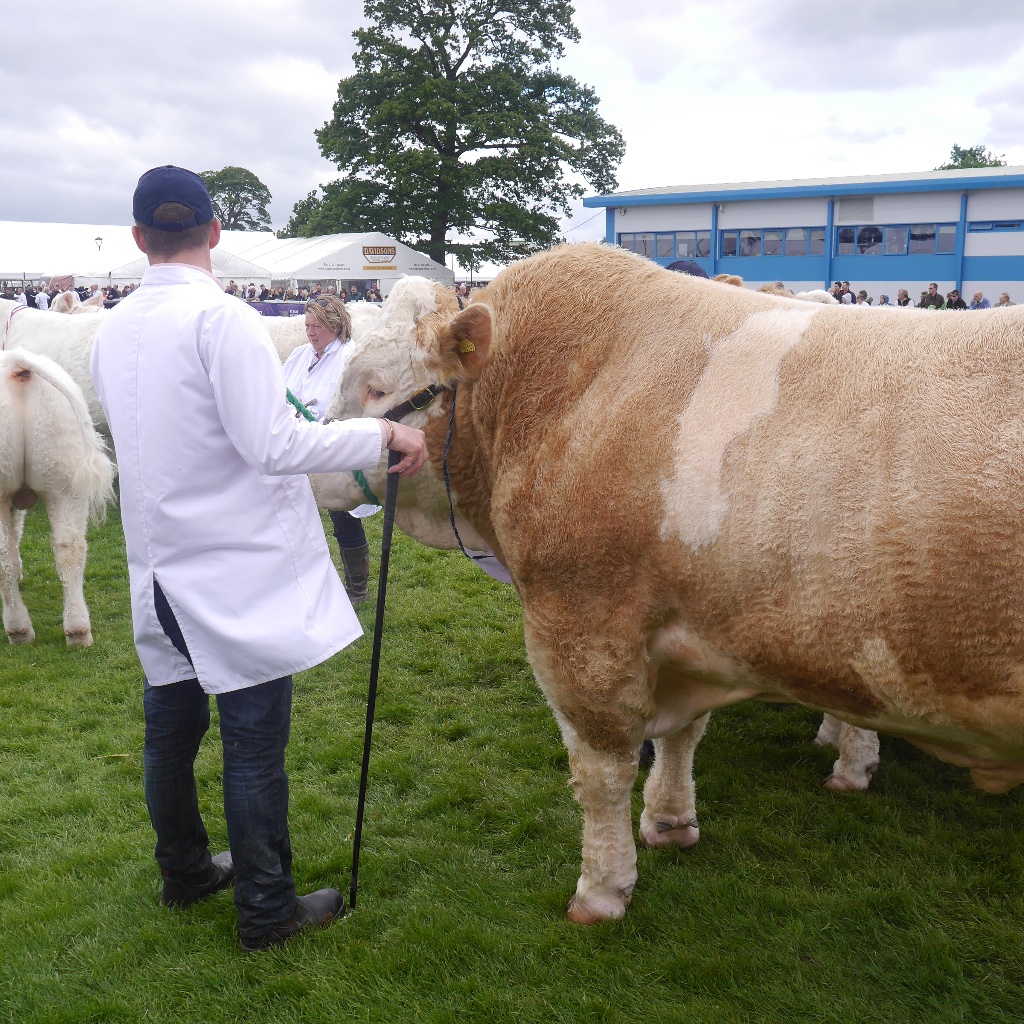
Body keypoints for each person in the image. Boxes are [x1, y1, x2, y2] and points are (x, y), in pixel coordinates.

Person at [89, 165, 428, 952]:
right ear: (213, 233)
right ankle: (267, 908)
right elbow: (272, 444)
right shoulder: (224, 321)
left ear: (141, 239)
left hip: (159, 566)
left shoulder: (115, 327)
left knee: (169, 733)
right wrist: (380, 434)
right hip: (231, 568)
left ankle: (184, 872)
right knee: (249, 741)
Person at [282, 293, 379, 602]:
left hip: (333, 447)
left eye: (318, 326)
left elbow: (353, 406)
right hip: (297, 447)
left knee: (343, 517)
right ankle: (301, 584)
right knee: (294, 517)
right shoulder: (300, 355)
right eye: (308, 325)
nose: (311, 332)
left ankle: (357, 588)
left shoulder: (350, 359)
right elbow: (282, 392)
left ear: (336, 326)